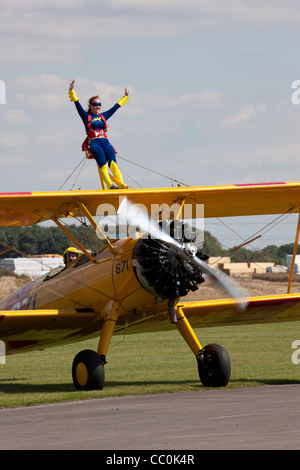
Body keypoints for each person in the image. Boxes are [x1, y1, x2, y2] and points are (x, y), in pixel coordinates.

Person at [68, 79, 129, 189]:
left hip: (106, 142)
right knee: (103, 165)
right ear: (90, 105)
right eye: (96, 104)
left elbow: (116, 107)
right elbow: (77, 104)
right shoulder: (86, 116)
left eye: (100, 104)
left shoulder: (103, 116)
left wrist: (125, 97)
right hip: (95, 143)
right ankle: (110, 185)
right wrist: (72, 91)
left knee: (114, 164)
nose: (98, 107)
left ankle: (122, 185)